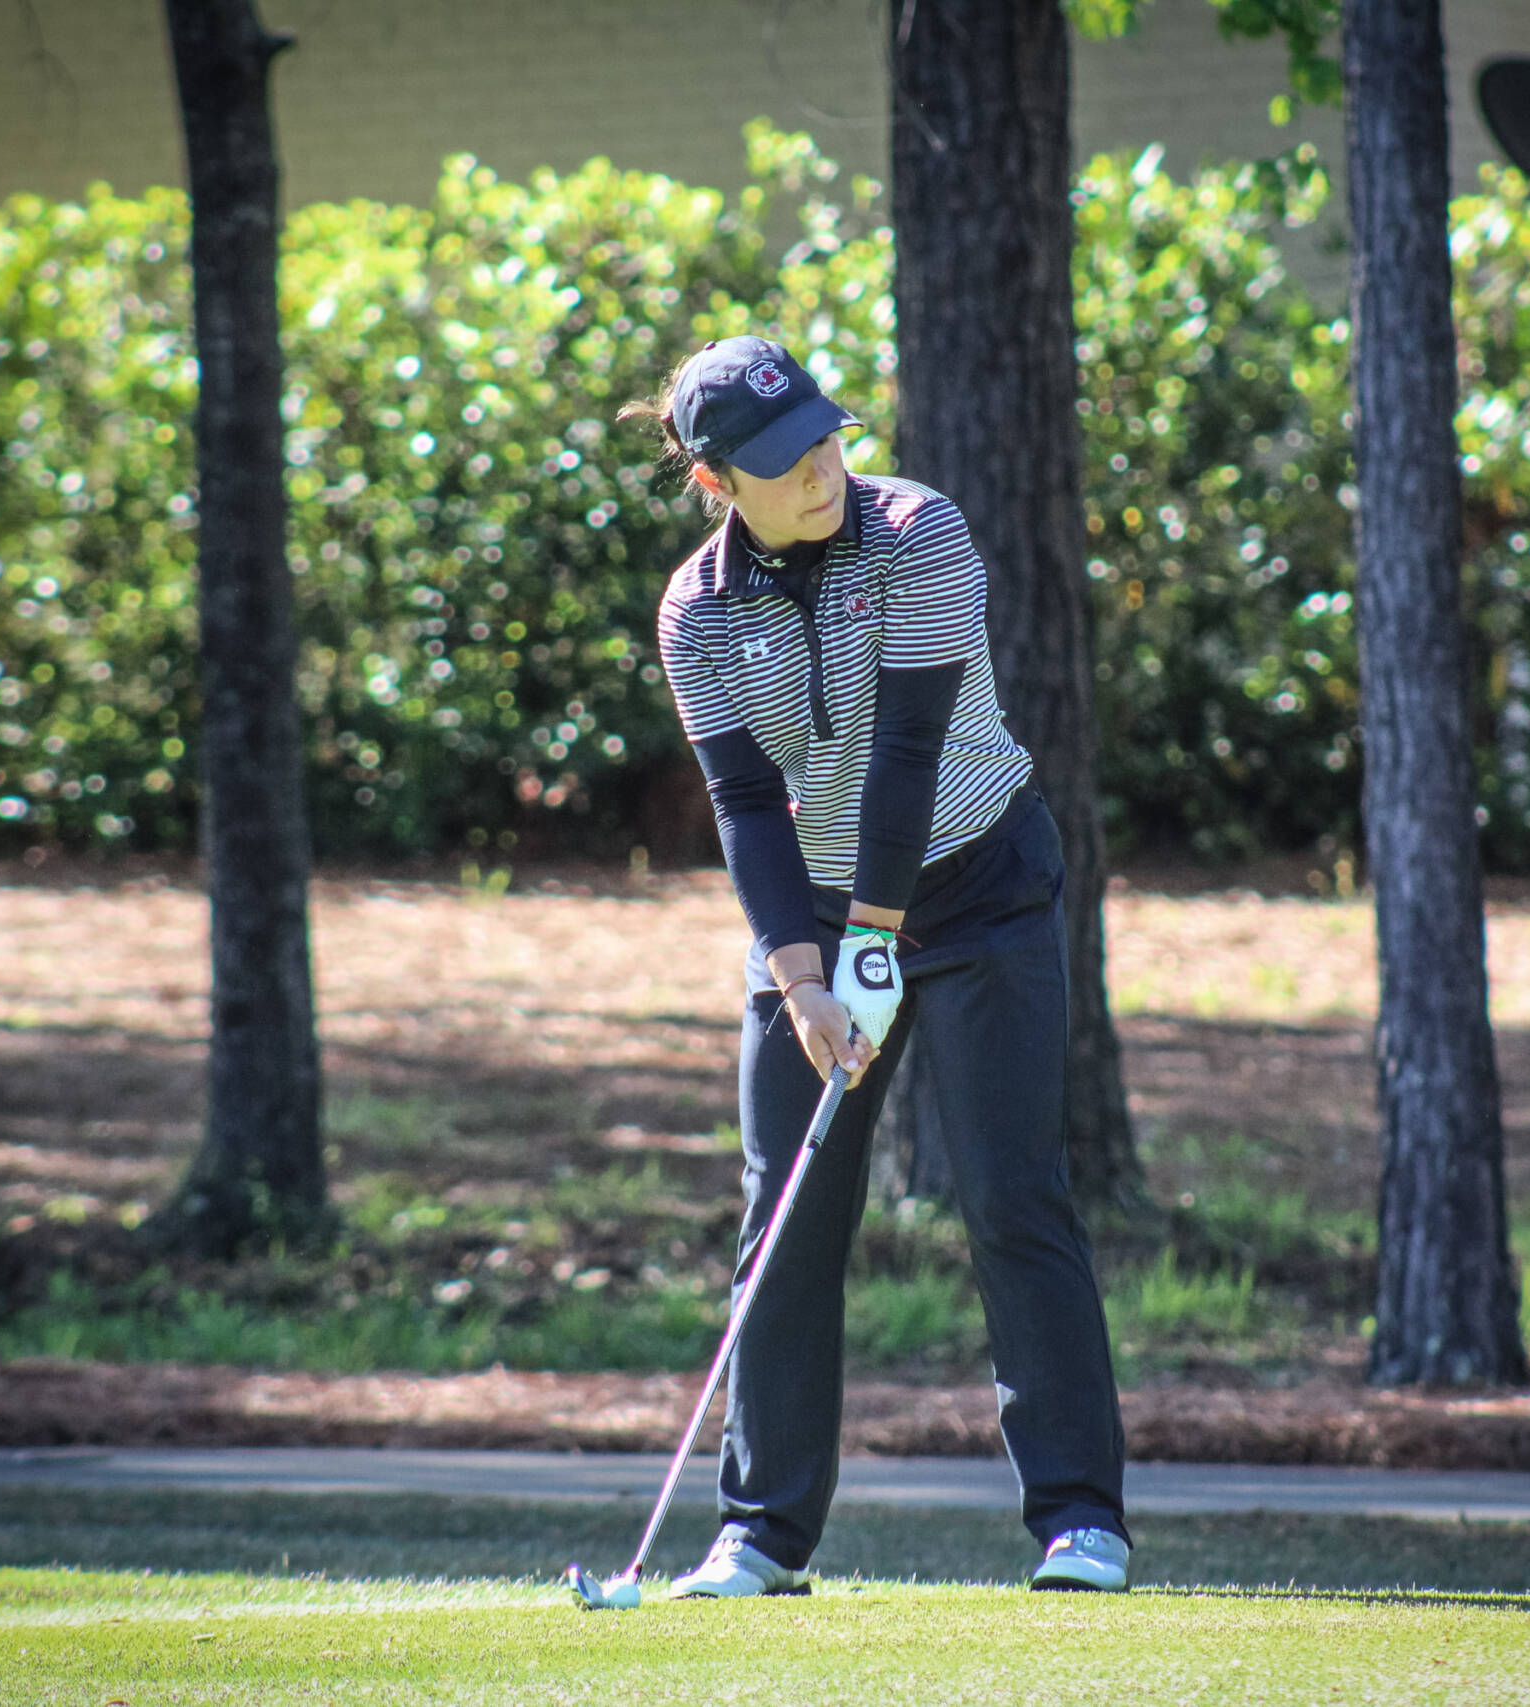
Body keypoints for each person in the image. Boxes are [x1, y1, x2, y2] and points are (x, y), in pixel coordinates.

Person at [621, 335, 1131, 1598]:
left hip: (980, 886)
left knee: (1012, 1197)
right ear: (714, 481)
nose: (823, 469)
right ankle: (759, 1533)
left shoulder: (920, 534)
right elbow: (744, 804)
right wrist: (801, 982)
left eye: (829, 438)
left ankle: (1081, 1521)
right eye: (786, 460)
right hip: (818, 913)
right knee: (785, 1217)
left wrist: (869, 945)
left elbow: (909, 752)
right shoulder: (697, 610)